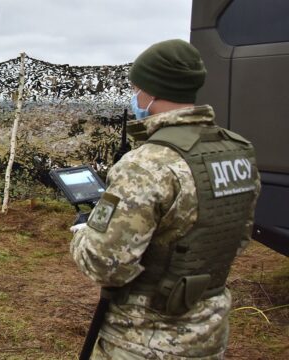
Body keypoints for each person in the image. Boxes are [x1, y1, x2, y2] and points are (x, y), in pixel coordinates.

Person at [70, 39, 260, 359]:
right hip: (209, 333)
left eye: (136, 88)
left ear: (151, 91)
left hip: (142, 341)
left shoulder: (147, 164)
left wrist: (82, 234)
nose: (135, 97)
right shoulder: (238, 152)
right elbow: (237, 238)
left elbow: (105, 264)